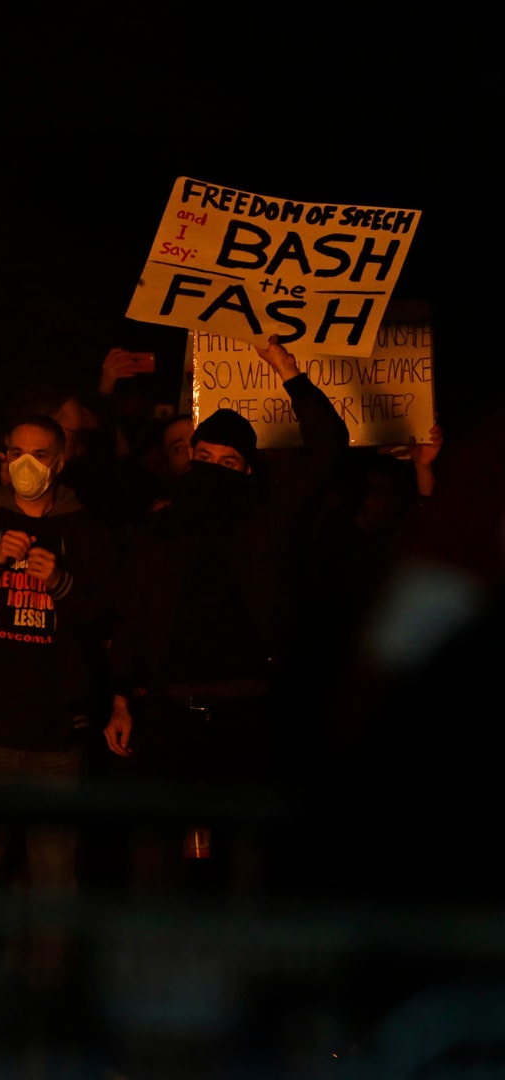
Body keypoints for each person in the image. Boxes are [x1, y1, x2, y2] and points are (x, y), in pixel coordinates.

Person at [103, 335, 348, 791]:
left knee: (248, 841)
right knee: (159, 842)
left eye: (228, 462)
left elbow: (329, 444)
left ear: (247, 472)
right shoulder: (159, 529)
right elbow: (132, 614)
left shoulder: (264, 521)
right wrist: (120, 700)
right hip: (167, 710)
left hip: (251, 712)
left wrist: (285, 368)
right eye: (205, 458)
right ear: (190, 459)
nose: (214, 470)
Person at [0, 416, 113, 973]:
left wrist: (61, 583)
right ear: (1, 457)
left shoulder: (89, 529)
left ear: (61, 461)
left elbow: (110, 617)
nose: (26, 465)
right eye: (15, 452)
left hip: (56, 733)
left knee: (55, 878)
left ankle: (46, 1000)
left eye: (39, 454)